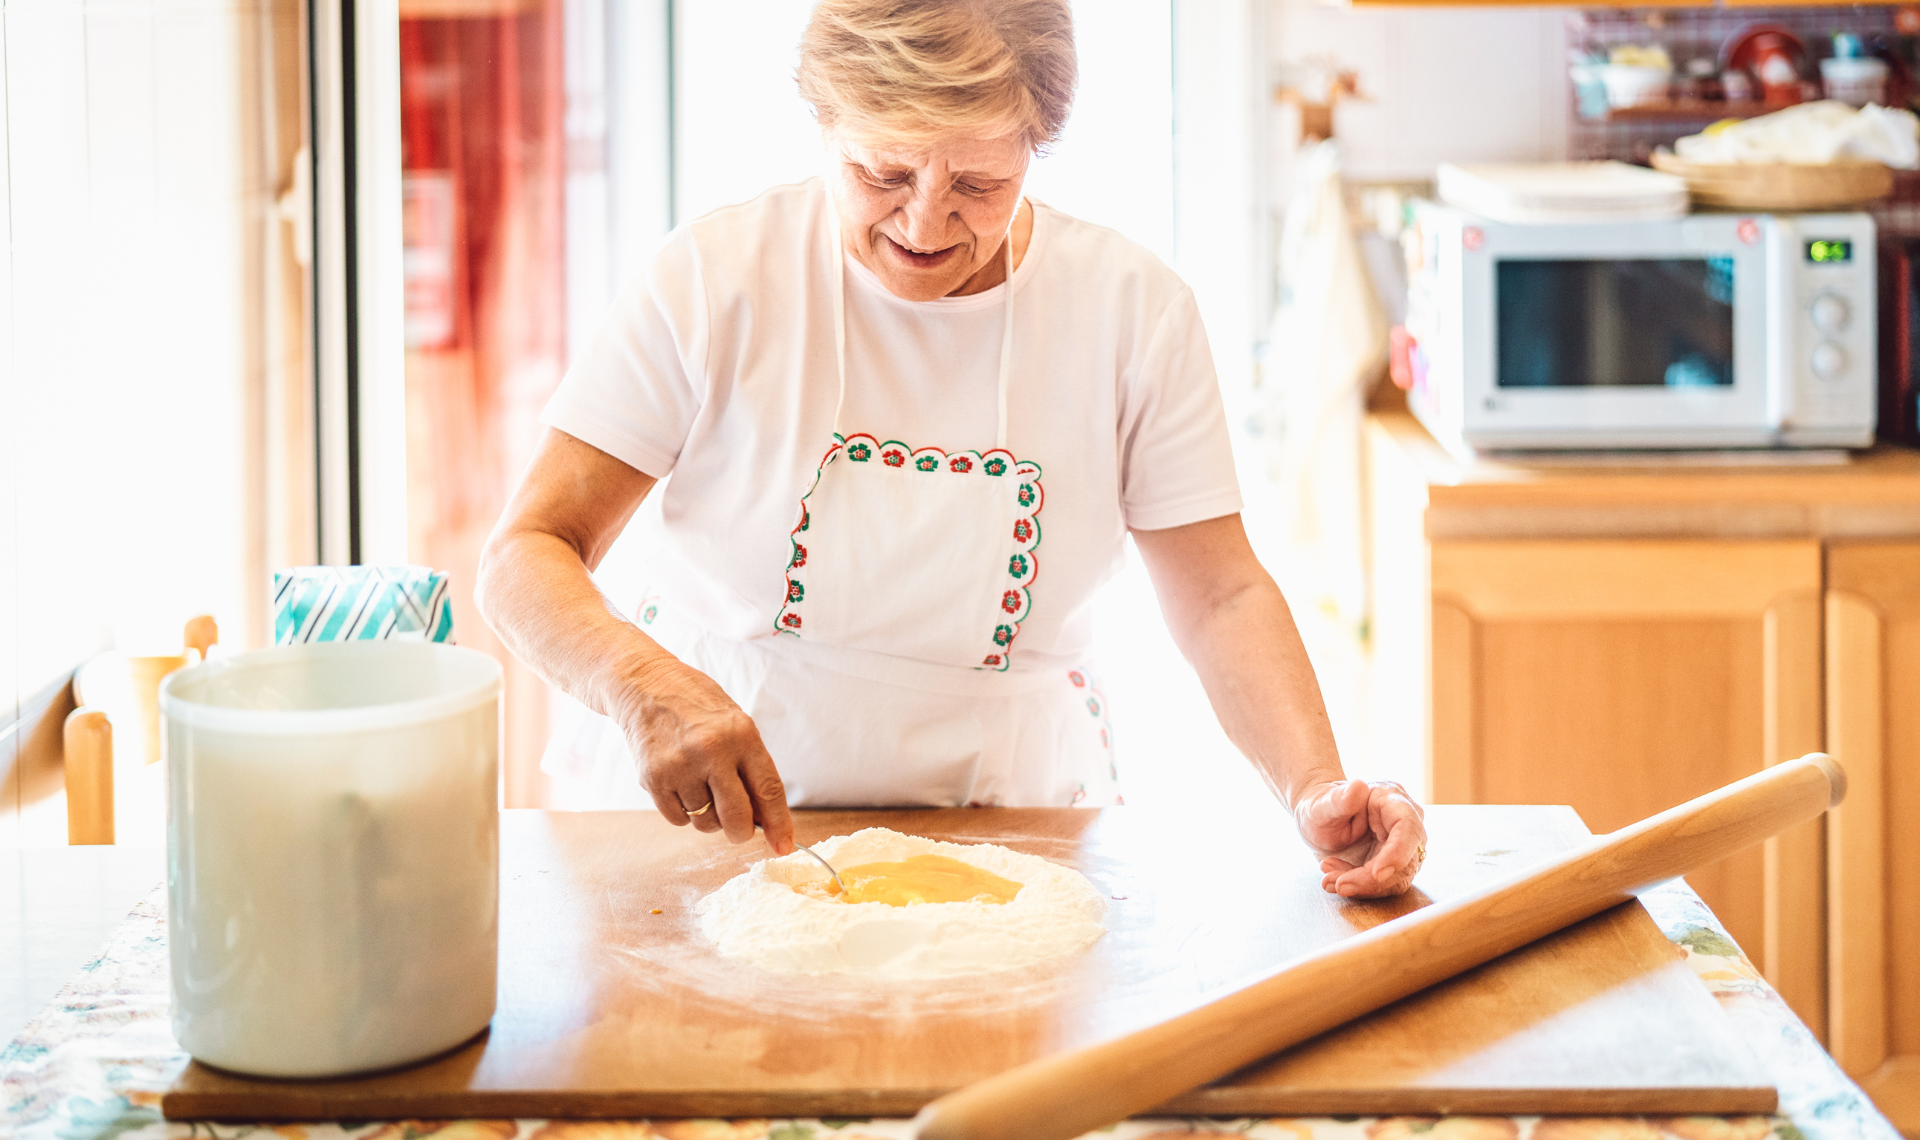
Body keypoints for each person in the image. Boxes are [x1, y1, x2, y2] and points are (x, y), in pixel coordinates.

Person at [475, 0, 1425, 898]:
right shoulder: (718, 280)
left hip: (1011, 834)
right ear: (823, 125)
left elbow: (1220, 597)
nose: (925, 225)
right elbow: (525, 554)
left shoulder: (1131, 313)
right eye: (881, 173)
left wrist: (1314, 790)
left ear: (1036, 146)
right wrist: (640, 687)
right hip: (710, 829)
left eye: (979, 184)